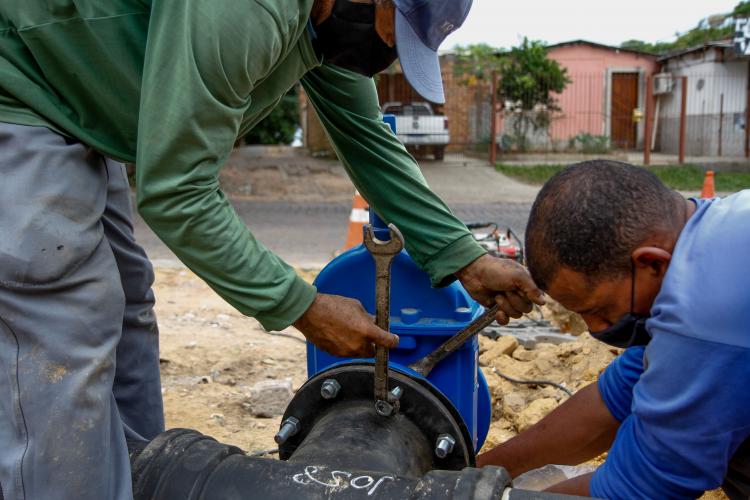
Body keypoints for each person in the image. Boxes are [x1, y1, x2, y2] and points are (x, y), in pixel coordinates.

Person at [0, 0, 545, 498]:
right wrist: (300, 307)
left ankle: (140, 474)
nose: (384, 57)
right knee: (61, 315)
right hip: (21, 87)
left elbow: (366, 139)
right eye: (389, 34)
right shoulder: (250, 9)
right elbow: (176, 192)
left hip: (82, 110)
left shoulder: (321, 26)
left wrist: (463, 257)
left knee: (127, 305)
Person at [477, 160, 750, 499]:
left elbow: (636, 490)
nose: (595, 330)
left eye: (600, 311)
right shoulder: (711, 230)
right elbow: (617, 398)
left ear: (651, 262)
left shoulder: (707, 314)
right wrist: (473, 474)